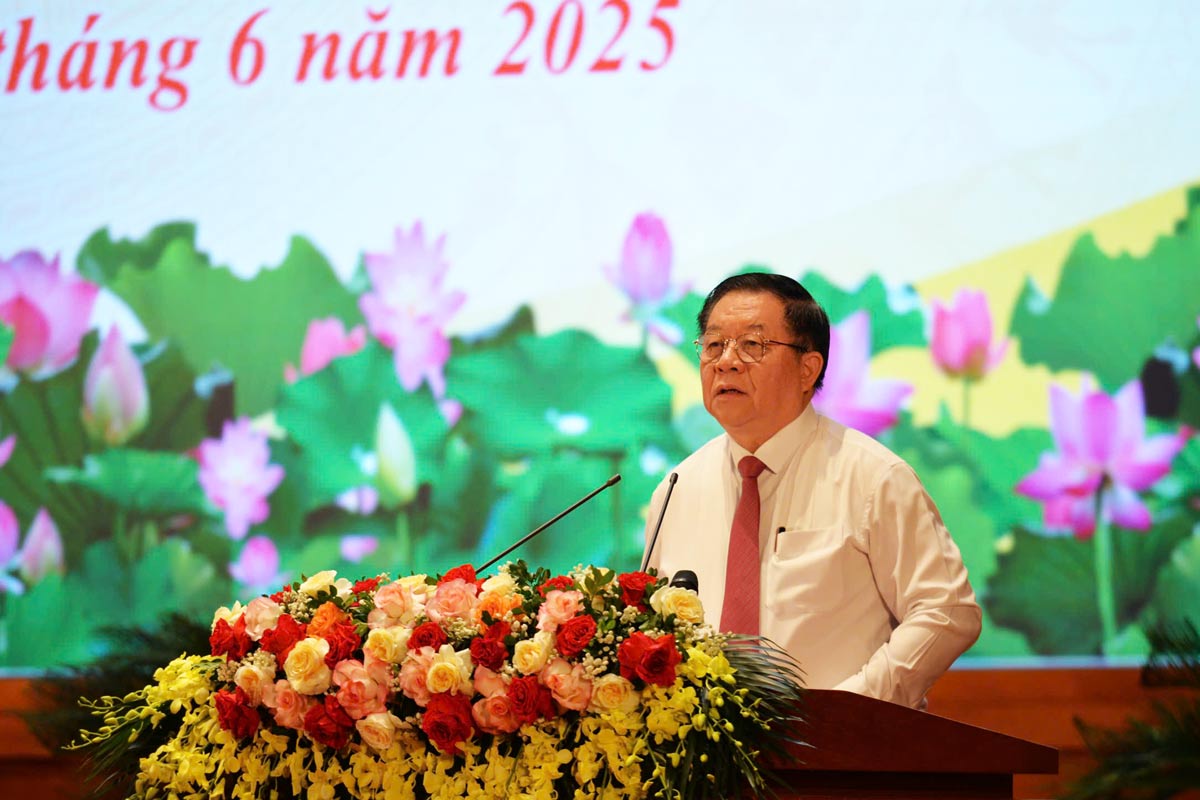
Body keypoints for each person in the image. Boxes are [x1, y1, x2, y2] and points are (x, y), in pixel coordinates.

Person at [643, 272, 981, 709]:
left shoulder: (872, 477)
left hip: (839, 759)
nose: (726, 361)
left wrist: (851, 709)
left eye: (753, 345)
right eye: (713, 345)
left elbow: (947, 610)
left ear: (808, 368)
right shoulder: (676, 489)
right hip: (703, 763)